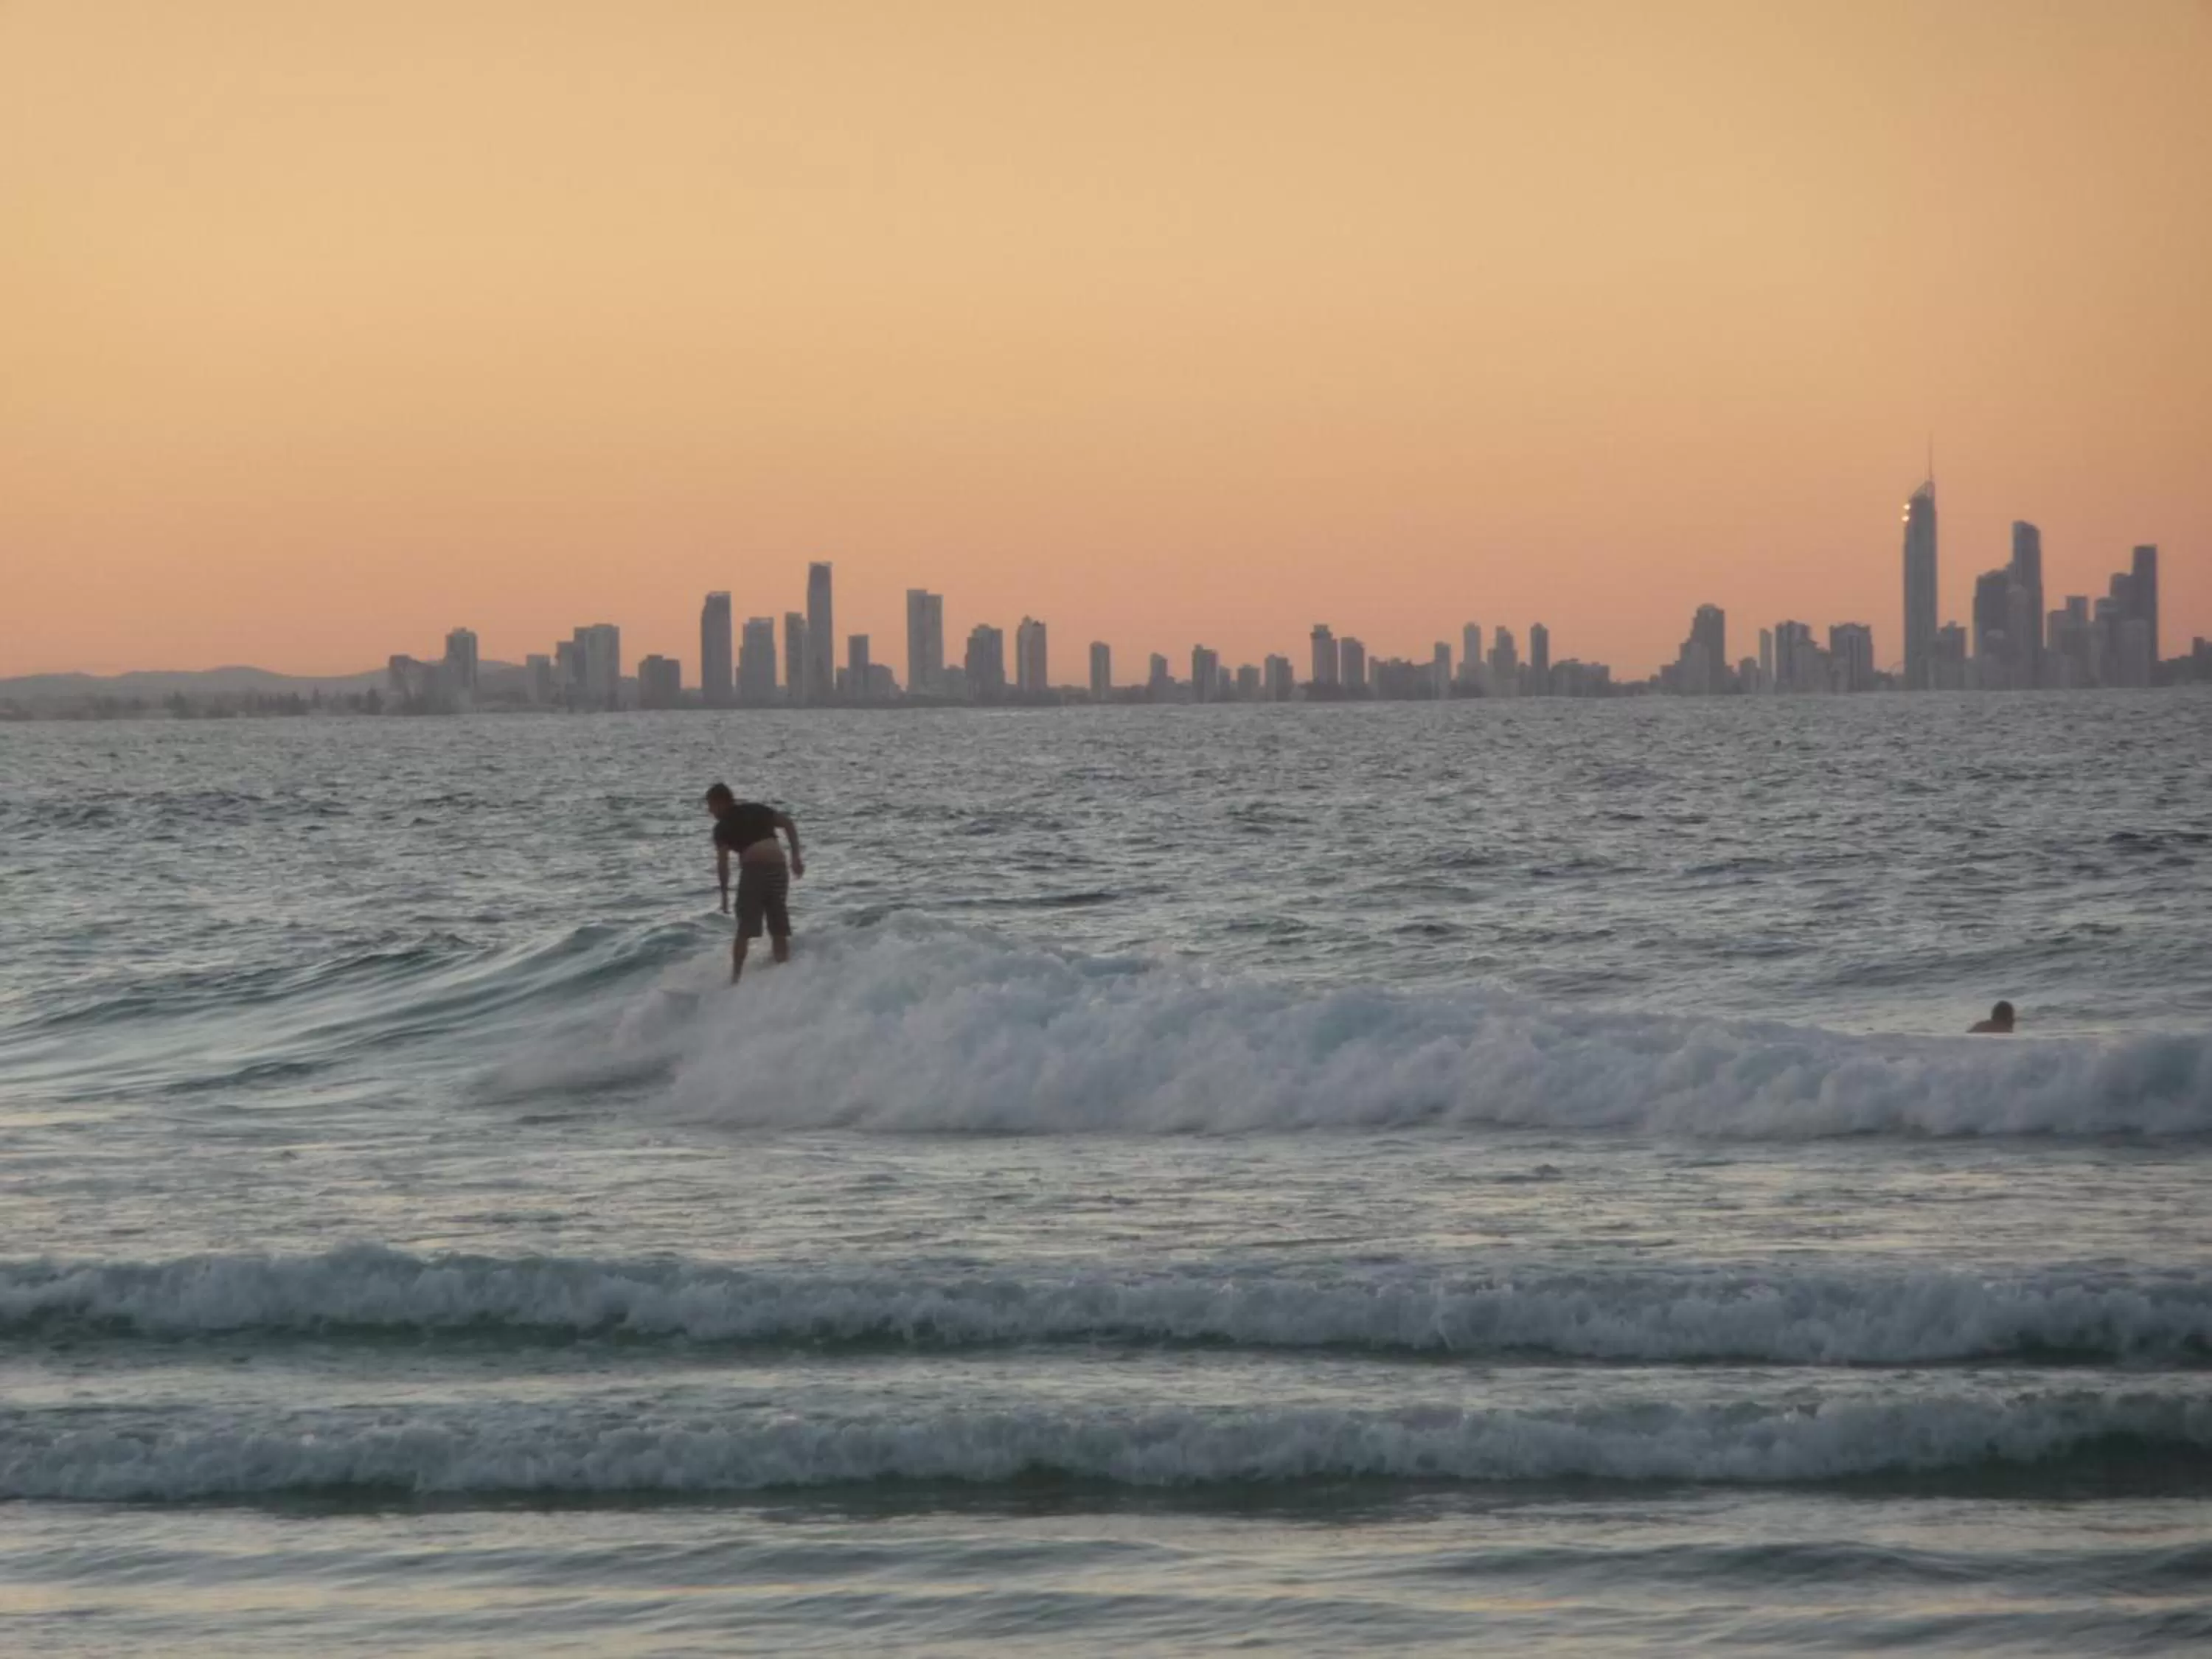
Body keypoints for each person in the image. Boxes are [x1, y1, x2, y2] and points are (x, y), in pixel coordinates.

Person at [704, 782, 804, 984]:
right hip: (778, 868)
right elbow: (788, 823)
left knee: (744, 929)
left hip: (755, 870)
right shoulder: (756, 809)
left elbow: (723, 862)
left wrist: (724, 893)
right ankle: (783, 973)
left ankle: (736, 978)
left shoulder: (722, 827)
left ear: (720, 803)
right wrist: (796, 857)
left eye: (711, 806)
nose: (710, 811)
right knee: (778, 926)